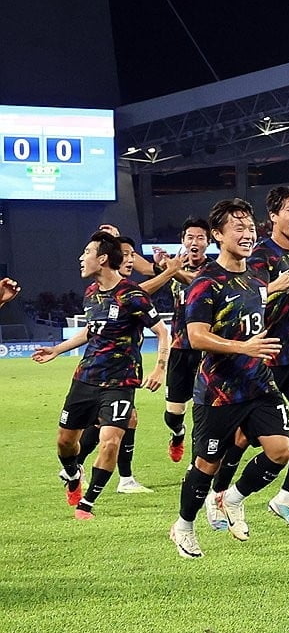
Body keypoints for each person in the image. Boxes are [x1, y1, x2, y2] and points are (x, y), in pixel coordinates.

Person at [169, 199, 289, 559]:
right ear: (218, 235)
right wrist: (244, 347)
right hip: (218, 392)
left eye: (250, 227)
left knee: (281, 450)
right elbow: (196, 336)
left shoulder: (256, 275)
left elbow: (255, 314)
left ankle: (232, 498)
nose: (247, 233)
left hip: (258, 385)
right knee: (206, 466)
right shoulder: (206, 283)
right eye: (238, 228)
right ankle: (183, 527)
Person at [210, 185, 289, 531]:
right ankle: (218, 497)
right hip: (264, 358)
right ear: (274, 216)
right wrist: (271, 289)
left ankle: (285, 498)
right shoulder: (260, 256)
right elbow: (242, 301)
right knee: (243, 437)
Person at [33, 231, 169, 519]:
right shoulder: (91, 293)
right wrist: (57, 349)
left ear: (103, 258)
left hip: (121, 382)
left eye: (87, 252)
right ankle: (73, 475)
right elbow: (90, 330)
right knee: (65, 441)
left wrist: (160, 366)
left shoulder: (133, 296)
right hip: (86, 377)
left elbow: (162, 331)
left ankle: (87, 503)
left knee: (109, 441)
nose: (81, 258)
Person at [73, 237, 181, 493]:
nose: (131, 259)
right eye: (126, 254)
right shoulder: (112, 291)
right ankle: (78, 468)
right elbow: (140, 293)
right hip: (108, 372)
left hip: (119, 369)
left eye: (133, 254)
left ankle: (122, 477)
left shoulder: (124, 290)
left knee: (128, 420)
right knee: (107, 423)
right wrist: (169, 272)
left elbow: (139, 290)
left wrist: (165, 269)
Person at [162, 218, 213, 462]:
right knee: (173, 414)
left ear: (209, 242)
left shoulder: (215, 271)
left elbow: (197, 284)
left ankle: (199, 461)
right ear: (183, 241)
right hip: (179, 349)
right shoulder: (173, 267)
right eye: (190, 237)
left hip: (206, 347)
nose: (195, 242)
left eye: (200, 237)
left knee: (204, 409)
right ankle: (178, 433)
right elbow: (143, 270)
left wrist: (171, 270)